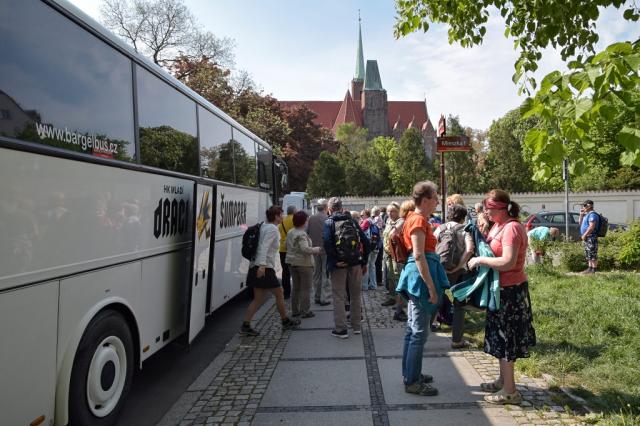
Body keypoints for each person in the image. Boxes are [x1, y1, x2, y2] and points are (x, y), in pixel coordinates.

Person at [468, 190, 536, 405]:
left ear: (501, 208)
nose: (486, 212)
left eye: (489, 209)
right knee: (499, 337)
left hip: (511, 292)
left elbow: (507, 262)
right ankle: (502, 380)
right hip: (500, 291)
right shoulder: (498, 226)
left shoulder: (512, 228)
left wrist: (480, 260)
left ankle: (510, 391)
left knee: (507, 339)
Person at [396, 181, 448, 397]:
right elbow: (418, 255)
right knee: (418, 332)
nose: (438, 201)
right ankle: (412, 381)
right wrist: (431, 287)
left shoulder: (415, 218)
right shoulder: (417, 220)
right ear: (426, 200)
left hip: (418, 275)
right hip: (420, 278)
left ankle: (411, 373)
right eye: (435, 197)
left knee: (413, 331)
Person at [240, 206, 301, 336]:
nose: (283, 217)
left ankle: (245, 325)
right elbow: (264, 247)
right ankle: (285, 321)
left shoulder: (263, 226)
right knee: (279, 294)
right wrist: (262, 266)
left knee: (258, 299)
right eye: (281, 215)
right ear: (276, 216)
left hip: (256, 266)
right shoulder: (272, 229)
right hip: (264, 268)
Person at [323, 197, 370, 338]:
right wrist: (363, 262)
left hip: (339, 265)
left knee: (338, 296)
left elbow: (327, 243)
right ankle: (356, 326)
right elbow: (366, 242)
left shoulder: (329, 222)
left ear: (329, 209)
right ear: (342, 208)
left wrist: (335, 260)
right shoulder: (353, 221)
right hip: (355, 263)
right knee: (355, 295)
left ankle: (341, 329)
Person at [436, 204, 475, 349]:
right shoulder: (464, 229)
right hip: (459, 272)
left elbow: (432, 247)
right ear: (463, 217)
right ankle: (457, 340)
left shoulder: (440, 228)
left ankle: (423, 335)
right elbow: (470, 249)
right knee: (459, 304)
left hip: (440, 270)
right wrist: (459, 266)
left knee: (435, 299)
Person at [287, 211, 322, 318]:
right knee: (306, 289)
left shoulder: (291, 231)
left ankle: (295, 310)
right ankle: (305, 311)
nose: (307, 221)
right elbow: (305, 249)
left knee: (296, 288)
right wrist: (316, 249)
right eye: (306, 220)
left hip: (292, 263)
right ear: (303, 221)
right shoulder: (301, 233)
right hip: (304, 264)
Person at [308, 198, 331, 306]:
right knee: (325, 274)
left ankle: (316, 296)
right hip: (325, 250)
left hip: (314, 249)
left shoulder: (311, 219)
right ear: (326, 207)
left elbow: (307, 233)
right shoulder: (327, 219)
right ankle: (324, 297)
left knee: (316, 274)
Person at [360, 209, 380, 290]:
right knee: (372, 266)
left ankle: (364, 286)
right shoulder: (373, 222)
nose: (361, 217)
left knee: (366, 266)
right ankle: (373, 284)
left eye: (362, 215)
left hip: (368, 248)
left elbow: (360, 231)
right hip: (375, 247)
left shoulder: (366, 221)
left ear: (366, 215)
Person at [278, 205, 296, 299]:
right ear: (294, 211)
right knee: (295, 271)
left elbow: (279, 231)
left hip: (283, 249)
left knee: (285, 272)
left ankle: (286, 293)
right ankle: (296, 292)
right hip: (294, 249)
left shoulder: (282, 220)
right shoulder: (295, 219)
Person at [579, 200, 599, 274]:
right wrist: (581, 215)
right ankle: (589, 268)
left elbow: (592, 226)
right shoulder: (587, 214)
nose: (583, 207)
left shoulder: (592, 214)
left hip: (591, 237)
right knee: (588, 253)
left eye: (584, 205)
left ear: (589, 206)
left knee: (592, 253)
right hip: (588, 237)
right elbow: (580, 223)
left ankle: (594, 270)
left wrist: (584, 235)